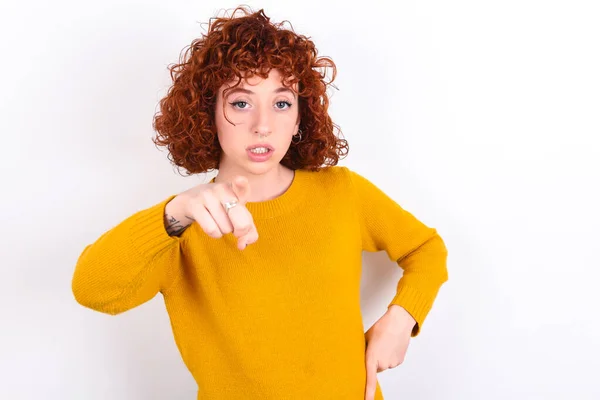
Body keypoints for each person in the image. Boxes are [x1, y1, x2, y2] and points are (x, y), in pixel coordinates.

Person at [71, 6, 448, 400]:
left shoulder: (342, 193)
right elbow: (92, 289)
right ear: (208, 112)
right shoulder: (183, 227)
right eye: (241, 103)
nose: (263, 124)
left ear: (301, 116)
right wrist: (175, 213)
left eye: (282, 103)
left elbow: (427, 248)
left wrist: (402, 317)